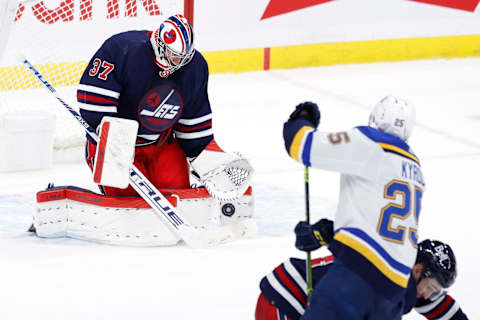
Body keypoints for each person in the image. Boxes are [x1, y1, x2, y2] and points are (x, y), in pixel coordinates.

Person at [76, 14, 251, 198]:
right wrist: (116, 143)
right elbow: (94, 103)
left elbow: (194, 122)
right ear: (160, 44)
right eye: (173, 55)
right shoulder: (122, 49)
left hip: (161, 144)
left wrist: (208, 159)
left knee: (180, 196)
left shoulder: (195, 67)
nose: (178, 62)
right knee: (127, 198)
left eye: (183, 57)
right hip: (116, 144)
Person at [282, 96, 424, 319]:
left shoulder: (370, 141)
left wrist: (301, 119)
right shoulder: (415, 167)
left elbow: (301, 146)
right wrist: (330, 234)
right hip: (394, 292)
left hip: (356, 278)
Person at [255, 229, 469, 320]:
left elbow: (448, 313)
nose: (428, 296)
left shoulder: (406, 277)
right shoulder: (393, 283)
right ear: (418, 271)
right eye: (431, 288)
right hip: (286, 298)